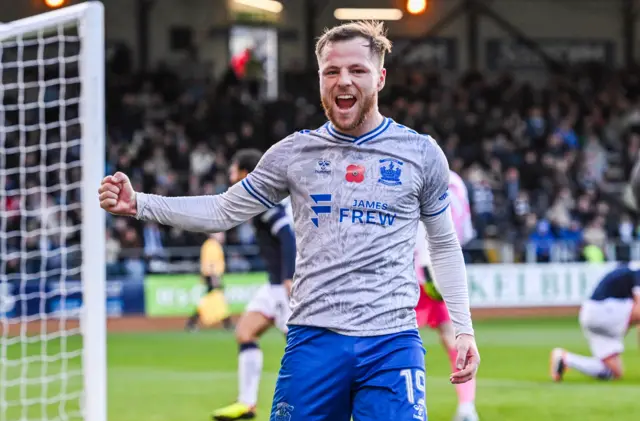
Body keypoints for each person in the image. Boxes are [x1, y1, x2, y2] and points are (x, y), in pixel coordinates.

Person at [98, 20, 480, 421]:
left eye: (357, 70)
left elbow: (444, 245)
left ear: (380, 77)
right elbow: (223, 210)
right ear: (319, 78)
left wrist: (463, 328)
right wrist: (139, 204)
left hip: (392, 343)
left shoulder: (421, 154)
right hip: (314, 340)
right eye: (331, 71)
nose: (343, 81)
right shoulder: (294, 154)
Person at [212, 149, 296, 421]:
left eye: (233, 171)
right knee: (245, 332)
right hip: (272, 286)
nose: (230, 176)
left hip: (283, 285)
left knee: (301, 347)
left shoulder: (265, 201)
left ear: (245, 173)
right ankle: (247, 404)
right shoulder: (259, 199)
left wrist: (289, 277)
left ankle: (333, 399)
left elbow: (286, 235)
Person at [414, 170, 478, 421]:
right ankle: (467, 407)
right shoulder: (458, 183)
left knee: (396, 338)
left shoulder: (417, 175)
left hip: (414, 270)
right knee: (453, 337)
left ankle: (409, 405)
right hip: (445, 271)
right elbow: (465, 232)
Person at [550, 263, 640, 381]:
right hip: (603, 312)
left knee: (613, 372)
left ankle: (565, 358)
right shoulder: (637, 272)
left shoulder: (627, 271)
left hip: (591, 314)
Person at [185, 232, 232, 331]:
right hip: (211, 277)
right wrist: (214, 278)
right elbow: (210, 264)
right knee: (217, 299)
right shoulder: (212, 245)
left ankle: (192, 322)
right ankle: (226, 323)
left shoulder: (212, 245)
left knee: (211, 300)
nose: (223, 236)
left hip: (212, 277)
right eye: (220, 234)